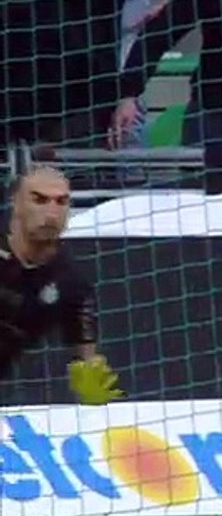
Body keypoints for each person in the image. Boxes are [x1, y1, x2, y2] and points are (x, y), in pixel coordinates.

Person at [1, 166, 123, 406]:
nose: (51, 212)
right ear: (16, 203)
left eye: (61, 202)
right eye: (39, 200)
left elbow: (88, 356)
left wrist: (93, 393)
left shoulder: (70, 281)